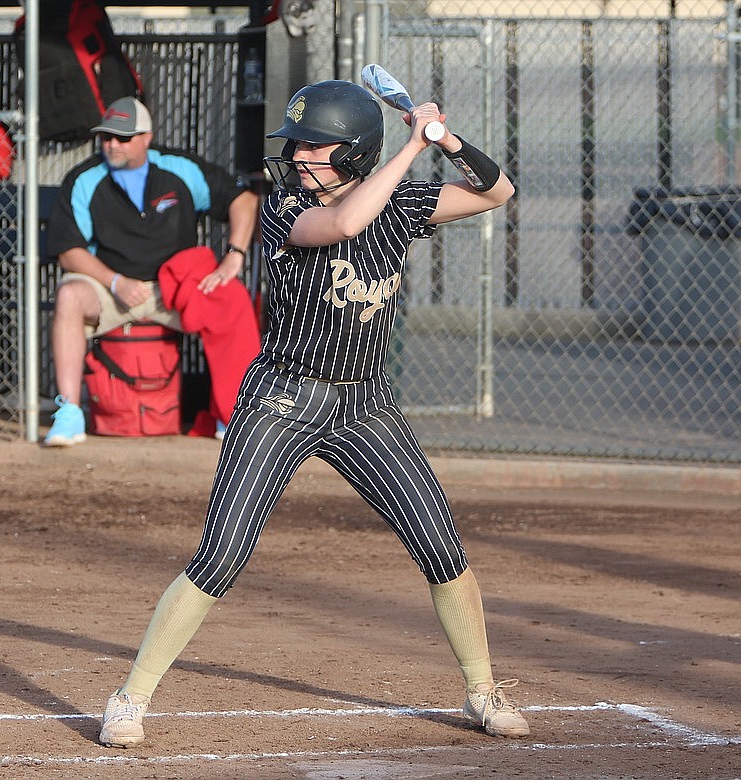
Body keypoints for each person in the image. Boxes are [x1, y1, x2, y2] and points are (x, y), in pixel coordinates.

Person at [96, 80, 529, 747]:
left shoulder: (403, 203)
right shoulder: (283, 206)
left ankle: (481, 690)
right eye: (296, 143)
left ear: (355, 154)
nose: (297, 155)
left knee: (441, 547)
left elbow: (498, 192)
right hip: (284, 397)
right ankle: (130, 698)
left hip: (366, 403)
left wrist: (446, 138)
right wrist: (416, 144)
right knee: (221, 556)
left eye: (314, 145)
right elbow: (347, 222)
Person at [43, 97, 261, 446]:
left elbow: (244, 200)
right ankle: (69, 412)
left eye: (123, 137)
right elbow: (69, 252)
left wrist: (234, 255)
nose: (112, 144)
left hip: (173, 289)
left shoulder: (178, 168)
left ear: (146, 137)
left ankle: (232, 413)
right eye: (106, 137)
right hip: (111, 288)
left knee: (231, 297)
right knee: (69, 294)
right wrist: (115, 281)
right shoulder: (85, 177)